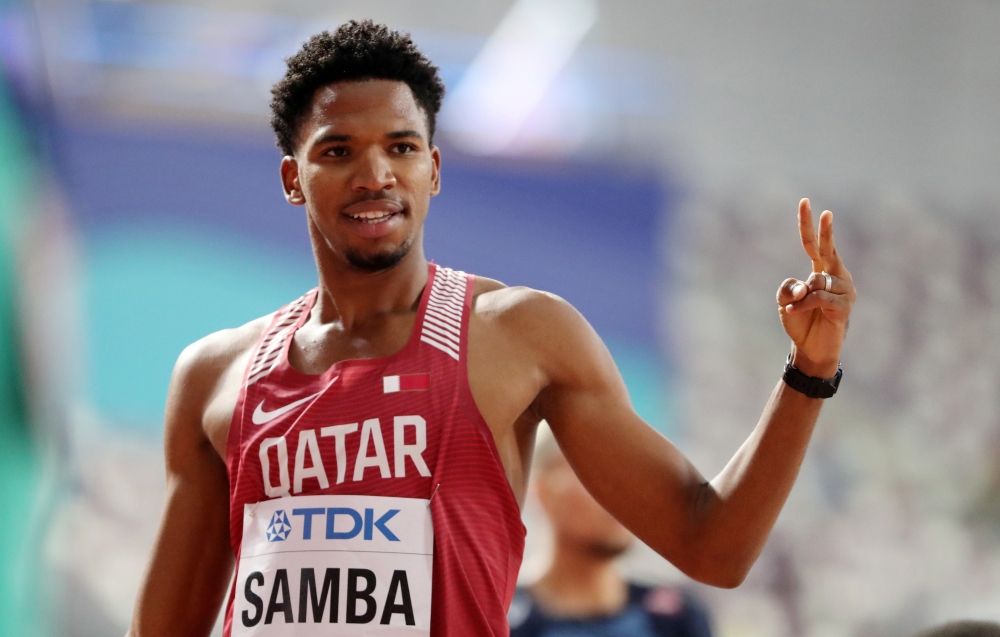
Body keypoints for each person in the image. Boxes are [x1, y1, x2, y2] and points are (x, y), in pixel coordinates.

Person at [126, 20, 856, 637]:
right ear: (293, 179)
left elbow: (712, 544)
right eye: (338, 150)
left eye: (402, 147)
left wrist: (808, 372)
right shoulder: (218, 375)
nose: (375, 173)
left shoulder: (519, 335)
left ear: (434, 168)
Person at [509, 428, 713, 637]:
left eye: (631, 477)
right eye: (597, 474)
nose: (622, 494)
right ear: (541, 491)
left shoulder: (677, 617)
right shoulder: (503, 619)